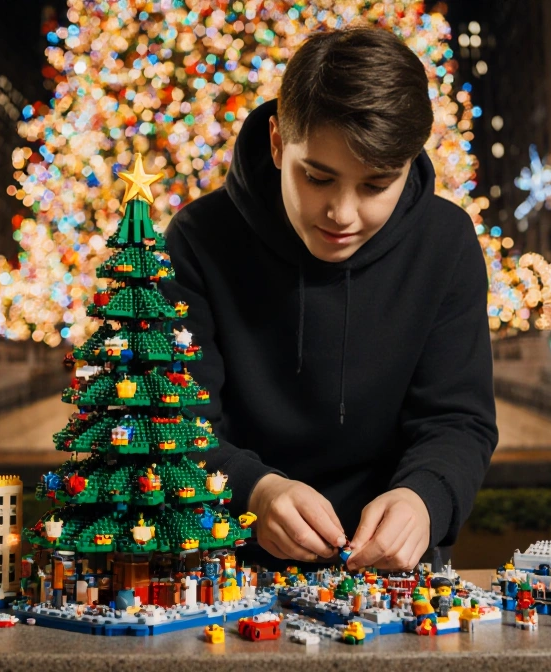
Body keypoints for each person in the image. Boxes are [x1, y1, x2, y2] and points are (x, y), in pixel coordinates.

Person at [163, 26, 498, 572]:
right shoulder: (197, 239)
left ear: (410, 165)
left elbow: (458, 420)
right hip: (226, 564)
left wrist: (425, 499)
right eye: (318, 178)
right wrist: (254, 491)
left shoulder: (447, 242)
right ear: (277, 143)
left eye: (375, 186)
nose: (341, 214)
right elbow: (174, 419)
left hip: (393, 570)